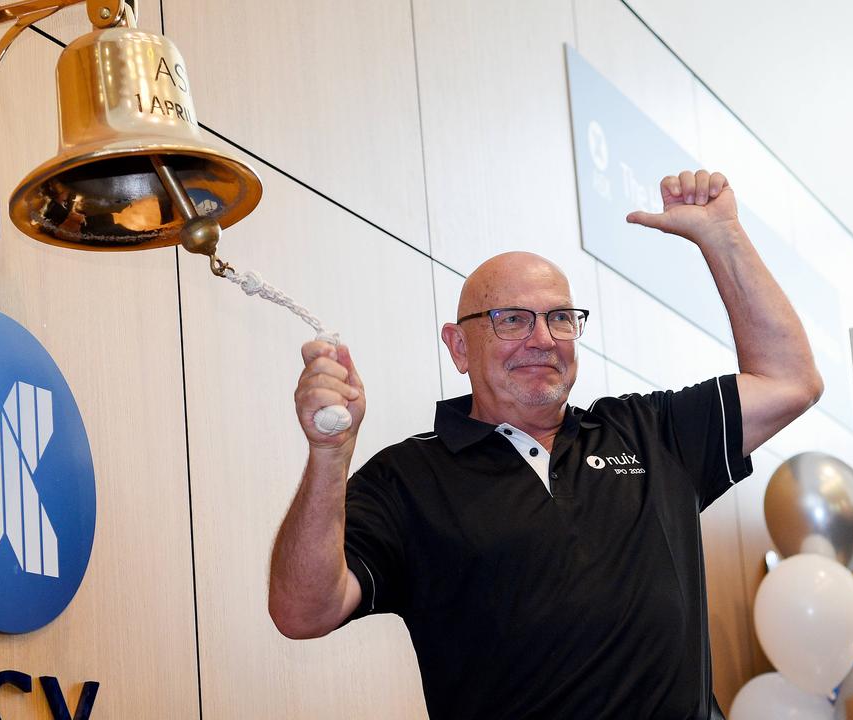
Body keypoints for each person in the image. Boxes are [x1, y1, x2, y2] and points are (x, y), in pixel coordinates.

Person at [268, 169, 824, 718]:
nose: (543, 340)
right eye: (511, 320)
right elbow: (302, 611)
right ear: (459, 347)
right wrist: (328, 458)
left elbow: (789, 382)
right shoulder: (406, 480)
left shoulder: (651, 434)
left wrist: (722, 237)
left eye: (560, 318)